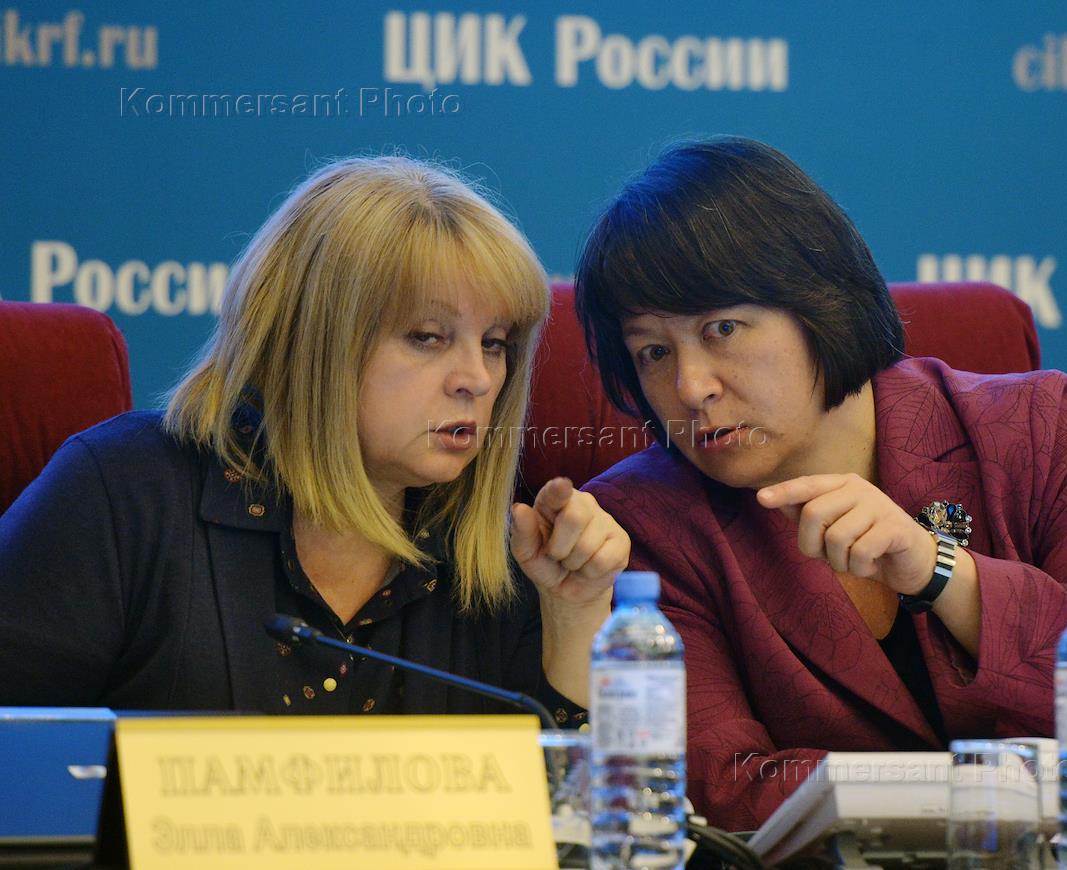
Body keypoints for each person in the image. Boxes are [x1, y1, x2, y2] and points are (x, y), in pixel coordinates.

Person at [575, 137, 1067, 830]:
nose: (690, 386)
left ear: (818, 301)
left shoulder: (1037, 427)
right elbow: (713, 792)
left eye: (722, 328)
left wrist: (943, 574)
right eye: (653, 352)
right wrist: (985, 794)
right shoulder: (642, 523)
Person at [0, 155, 626, 723]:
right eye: (427, 337)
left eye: (494, 344)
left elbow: (566, 806)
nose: (477, 379)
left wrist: (575, 614)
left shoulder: (504, 554)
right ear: (310, 342)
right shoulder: (121, 496)